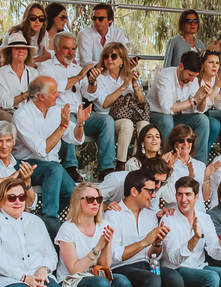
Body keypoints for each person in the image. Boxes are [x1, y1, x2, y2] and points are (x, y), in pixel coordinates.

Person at [103, 169, 185, 287]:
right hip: (121, 269)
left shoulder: (150, 216)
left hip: (146, 265)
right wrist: (143, 242)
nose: (154, 195)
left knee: (174, 278)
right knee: (151, 279)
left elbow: (153, 255)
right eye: (150, 190)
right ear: (134, 191)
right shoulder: (113, 215)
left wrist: (156, 244)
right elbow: (114, 256)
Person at [12, 76, 89, 218]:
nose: (58, 95)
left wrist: (80, 123)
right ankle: (50, 218)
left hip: (53, 167)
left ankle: (41, 220)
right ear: (41, 97)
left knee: (73, 194)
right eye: (54, 92)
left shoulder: (56, 111)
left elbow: (76, 138)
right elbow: (41, 150)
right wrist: (62, 126)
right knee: (54, 168)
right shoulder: (22, 116)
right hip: (26, 166)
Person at [82, 40, 148, 176]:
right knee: (127, 124)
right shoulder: (100, 77)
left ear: (122, 60)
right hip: (108, 118)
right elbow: (105, 103)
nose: (109, 59)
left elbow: (141, 101)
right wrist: (124, 86)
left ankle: (137, 163)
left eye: (113, 56)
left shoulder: (127, 75)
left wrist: (135, 85)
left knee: (144, 125)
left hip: (129, 115)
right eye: (106, 56)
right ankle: (121, 164)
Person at [38, 29, 94, 180]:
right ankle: (70, 167)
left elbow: (88, 94)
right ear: (55, 48)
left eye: (73, 49)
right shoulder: (46, 67)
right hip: (58, 111)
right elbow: (54, 88)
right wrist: (79, 76)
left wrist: (92, 82)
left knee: (106, 122)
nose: (71, 53)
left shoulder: (77, 68)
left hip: (79, 111)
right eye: (66, 48)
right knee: (70, 120)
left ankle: (107, 168)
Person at [147, 49, 213, 162]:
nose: (192, 79)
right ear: (181, 66)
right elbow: (167, 108)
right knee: (167, 119)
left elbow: (199, 109)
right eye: (190, 75)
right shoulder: (165, 77)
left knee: (203, 120)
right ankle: (168, 162)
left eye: (195, 76)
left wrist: (203, 97)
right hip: (156, 115)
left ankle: (199, 163)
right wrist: (193, 101)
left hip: (177, 117)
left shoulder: (193, 80)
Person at [0, 30, 39, 114]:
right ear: (9, 52)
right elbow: (4, 103)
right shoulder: (1, 73)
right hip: (7, 114)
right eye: (17, 48)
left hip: (28, 114)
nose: (21, 51)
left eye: (24, 48)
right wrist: (25, 94)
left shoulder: (34, 73)